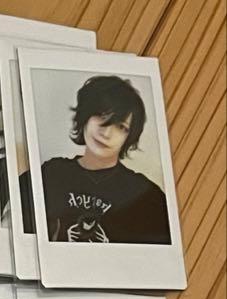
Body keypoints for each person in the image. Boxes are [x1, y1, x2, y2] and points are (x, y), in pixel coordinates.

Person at [17, 74, 171, 244]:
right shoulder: (52, 173)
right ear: (85, 116)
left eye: (120, 126)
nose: (106, 133)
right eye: (101, 116)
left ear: (129, 137)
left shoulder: (145, 196)